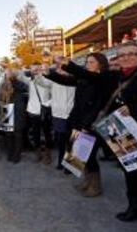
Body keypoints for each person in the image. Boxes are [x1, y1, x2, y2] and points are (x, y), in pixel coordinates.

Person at [45, 52, 115, 197]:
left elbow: (85, 76)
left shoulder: (104, 78)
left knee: (89, 155)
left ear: (101, 64)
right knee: (80, 154)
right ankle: (87, 182)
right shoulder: (84, 79)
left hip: (91, 124)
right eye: (87, 62)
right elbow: (65, 80)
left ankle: (95, 187)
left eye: (91, 62)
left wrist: (65, 63)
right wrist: (48, 73)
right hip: (77, 122)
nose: (88, 65)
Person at [103, 42, 137, 231]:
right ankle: (136, 209)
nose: (126, 57)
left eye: (131, 54)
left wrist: (134, 109)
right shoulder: (118, 76)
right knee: (131, 173)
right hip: (124, 132)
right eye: (121, 55)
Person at [36, 57, 75, 170]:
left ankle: (70, 166)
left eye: (63, 67)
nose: (61, 70)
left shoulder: (74, 80)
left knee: (71, 141)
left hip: (72, 115)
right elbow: (41, 82)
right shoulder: (53, 80)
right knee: (60, 141)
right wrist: (39, 73)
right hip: (58, 115)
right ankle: (61, 162)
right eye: (59, 68)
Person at [16, 62, 53, 164]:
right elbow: (20, 77)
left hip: (44, 111)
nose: (34, 71)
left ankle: (48, 155)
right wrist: (19, 67)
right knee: (35, 134)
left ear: (40, 69)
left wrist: (47, 104)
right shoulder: (31, 81)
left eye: (36, 69)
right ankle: (38, 154)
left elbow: (54, 96)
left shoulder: (48, 80)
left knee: (47, 134)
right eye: (32, 70)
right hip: (33, 112)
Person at [0, 68, 28, 163]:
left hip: (17, 112)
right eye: (6, 75)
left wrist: (13, 80)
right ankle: (10, 153)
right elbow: (0, 95)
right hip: (7, 111)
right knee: (8, 135)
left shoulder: (18, 84)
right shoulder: (2, 85)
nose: (8, 76)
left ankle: (17, 155)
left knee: (18, 135)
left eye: (10, 74)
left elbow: (24, 87)